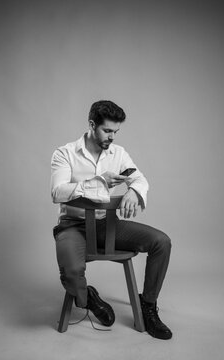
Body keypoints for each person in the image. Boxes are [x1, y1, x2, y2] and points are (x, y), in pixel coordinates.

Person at [51, 100, 172, 340]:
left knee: (162, 242)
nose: (112, 137)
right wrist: (99, 182)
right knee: (73, 272)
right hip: (73, 227)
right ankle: (88, 297)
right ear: (92, 124)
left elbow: (140, 179)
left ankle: (147, 305)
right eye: (107, 131)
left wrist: (134, 192)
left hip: (107, 226)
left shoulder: (118, 153)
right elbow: (58, 192)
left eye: (116, 132)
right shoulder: (64, 153)